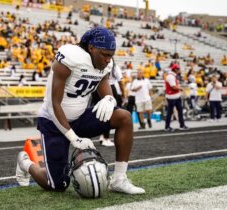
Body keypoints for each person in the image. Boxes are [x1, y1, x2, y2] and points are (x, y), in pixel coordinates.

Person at [15, 26, 145, 195]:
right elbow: (54, 105)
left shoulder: (104, 63)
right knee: (56, 184)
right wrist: (74, 138)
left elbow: (103, 81)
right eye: (104, 54)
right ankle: (26, 163)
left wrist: (110, 98)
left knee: (124, 117)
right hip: (54, 121)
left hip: (80, 117)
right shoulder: (70, 58)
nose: (108, 60)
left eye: (110, 56)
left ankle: (119, 179)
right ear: (91, 48)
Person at [164, 66, 189, 132]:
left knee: (180, 111)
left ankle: (182, 125)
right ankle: (167, 126)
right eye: (178, 69)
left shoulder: (172, 75)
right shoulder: (171, 76)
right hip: (172, 96)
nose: (179, 70)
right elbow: (173, 87)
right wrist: (181, 89)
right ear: (175, 70)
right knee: (170, 112)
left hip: (175, 96)